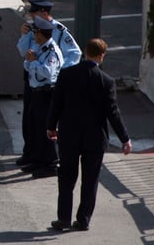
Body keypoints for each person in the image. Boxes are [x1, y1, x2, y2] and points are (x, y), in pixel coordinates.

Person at [46, 38, 133, 232]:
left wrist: (51, 126)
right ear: (102, 56)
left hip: (69, 136)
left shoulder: (67, 74)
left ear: (85, 52)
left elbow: (56, 104)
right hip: (95, 139)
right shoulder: (106, 81)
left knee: (67, 178)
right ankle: (83, 219)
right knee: (90, 180)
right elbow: (113, 113)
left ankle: (63, 219)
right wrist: (124, 139)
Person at [16, 0, 83, 169]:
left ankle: (47, 158)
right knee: (29, 121)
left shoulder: (58, 31)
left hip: (48, 82)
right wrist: (24, 35)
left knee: (45, 122)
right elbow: (24, 52)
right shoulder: (34, 29)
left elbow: (75, 54)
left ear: (45, 13)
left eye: (35, 13)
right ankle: (30, 153)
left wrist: (60, 74)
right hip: (32, 80)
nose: (32, 16)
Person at [21, 17, 62, 177]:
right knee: (35, 128)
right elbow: (28, 64)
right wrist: (30, 59)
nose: (34, 36)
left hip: (47, 94)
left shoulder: (52, 51)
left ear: (41, 34)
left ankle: (51, 163)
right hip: (35, 92)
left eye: (36, 33)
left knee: (46, 129)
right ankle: (37, 160)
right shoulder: (39, 48)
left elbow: (48, 72)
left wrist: (34, 61)